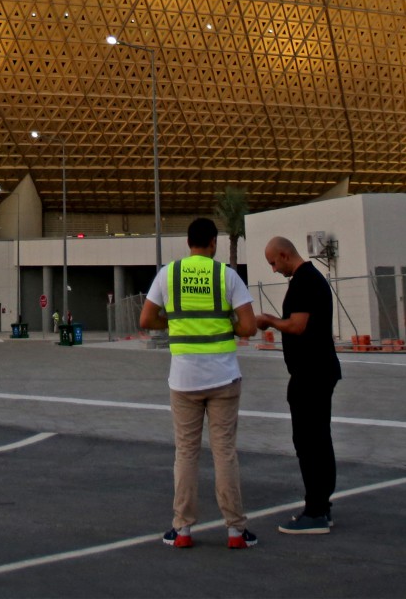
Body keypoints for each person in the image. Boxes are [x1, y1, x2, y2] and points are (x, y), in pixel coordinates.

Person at [138, 217, 259, 550]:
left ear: (188, 243)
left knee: (186, 454)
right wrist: (227, 324)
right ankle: (235, 530)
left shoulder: (169, 274)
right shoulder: (226, 275)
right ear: (214, 243)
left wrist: (175, 324)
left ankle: (183, 529)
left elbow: (146, 319)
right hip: (223, 376)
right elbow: (248, 327)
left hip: (184, 379)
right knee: (224, 454)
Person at [256, 236, 341, 535]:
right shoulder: (310, 278)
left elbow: (298, 325)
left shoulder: (305, 280)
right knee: (318, 439)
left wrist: (269, 320)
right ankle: (321, 506)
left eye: (273, 263)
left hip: (311, 374)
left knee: (309, 442)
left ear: (283, 254)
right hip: (316, 371)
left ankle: (316, 511)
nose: (274, 269)